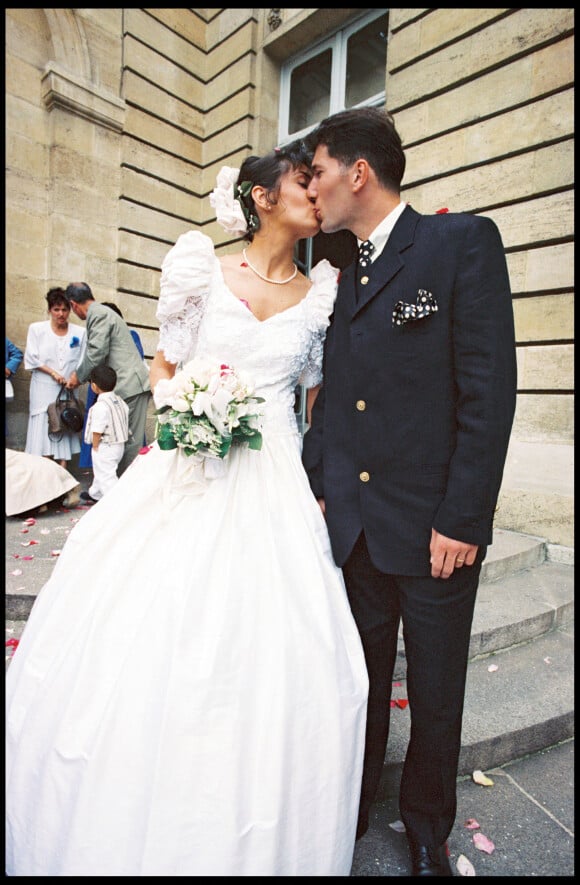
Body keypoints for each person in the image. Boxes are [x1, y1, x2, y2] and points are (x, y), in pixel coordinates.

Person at [5, 141, 369, 876]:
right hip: (189, 464)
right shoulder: (200, 265)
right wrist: (184, 409)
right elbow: (167, 364)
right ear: (263, 196)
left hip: (274, 477)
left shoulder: (326, 289)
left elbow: (315, 394)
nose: (316, 194)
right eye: (304, 182)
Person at [301, 107, 518, 877]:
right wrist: (320, 488)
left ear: (359, 172)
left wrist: (464, 515)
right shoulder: (344, 272)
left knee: (435, 689)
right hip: (357, 527)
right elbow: (335, 396)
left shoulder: (462, 244)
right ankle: (350, 806)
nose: (311, 188)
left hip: (436, 530)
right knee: (359, 680)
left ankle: (427, 823)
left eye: (318, 170)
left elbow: (486, 397)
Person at [64, 283, 151, 477]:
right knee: (122, 440)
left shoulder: (98, 314)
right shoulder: (101, 312)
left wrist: (78, 376)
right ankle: (117, 490)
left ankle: (127, 494)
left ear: (73, 304)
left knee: (129, 443)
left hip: (131, 386)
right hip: (127, 386)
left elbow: (97, 353)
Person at [23, 287, 87, 469]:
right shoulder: (37, 329)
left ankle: (62, 474)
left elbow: (83, 360)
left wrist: (74, 378)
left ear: (70, 310)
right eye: (56, 309)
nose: (61, 314)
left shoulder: (79, 333)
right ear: (49, 310)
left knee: (63, 424)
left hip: (67, 389)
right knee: (44, 427)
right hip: (43, 387)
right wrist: (53, 373)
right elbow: (32, 358)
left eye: (65, 309)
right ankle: (44, 472)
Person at [78, 302, 146, 471]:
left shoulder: (130, 336)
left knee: (125, 437)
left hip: (123, 388)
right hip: (101, 389)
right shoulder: (95, 335)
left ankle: (122, 482)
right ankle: (101, 481)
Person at [80, 363, 130, 504]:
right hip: (118, 445)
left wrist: (95, 446)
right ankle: (95, 493)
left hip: (105, 446)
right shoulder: (119, 401)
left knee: (107, 476)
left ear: (94, 386)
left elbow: (97, 429)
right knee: (102, 472)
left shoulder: (100, 406)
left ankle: (116, 502)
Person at [6, 448, 81, 516]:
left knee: (19, 508)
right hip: (45, 465)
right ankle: (60, 497)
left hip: (35, 469)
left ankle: (40, 507)